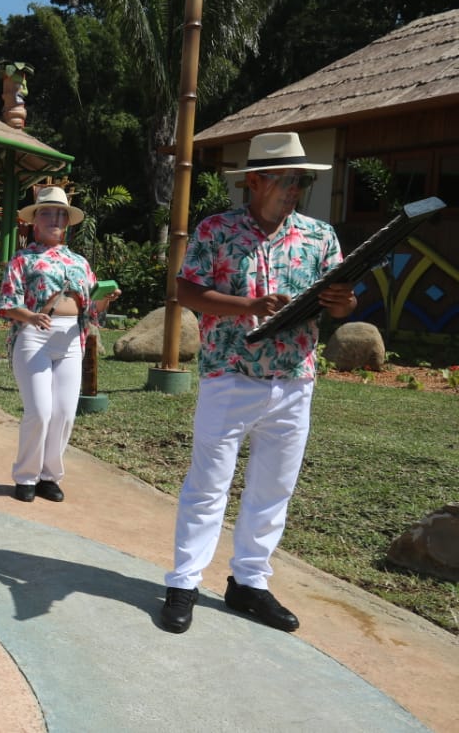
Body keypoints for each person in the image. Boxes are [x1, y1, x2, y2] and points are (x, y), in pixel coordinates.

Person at [160, 132, 356, 635]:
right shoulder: (216, 229)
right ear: (254, 181)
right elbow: (186, 290)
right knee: (208, 485)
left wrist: (344, 305)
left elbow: (341, 297)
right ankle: (184, 582)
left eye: (301, 182)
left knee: (274, 488)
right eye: (286, 180)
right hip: (230, 375)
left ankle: (249, 582)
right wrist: (247, 306)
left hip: (295, 378)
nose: (294, 190)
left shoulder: (320, 236)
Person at [0, 185, 120, 504]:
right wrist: (30, 316)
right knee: (39, 411)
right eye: (47, 213)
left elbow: (93, 309)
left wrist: (105, 299)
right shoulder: (22, 259)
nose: (54, 219)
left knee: (64, 412)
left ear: (67, 222)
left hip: (70, 338)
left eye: (60, 214)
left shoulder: (79, 262)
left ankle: (49, 476)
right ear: (35, 220)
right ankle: (26, 476)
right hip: (34, 335)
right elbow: (7, 304)